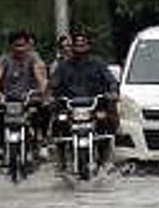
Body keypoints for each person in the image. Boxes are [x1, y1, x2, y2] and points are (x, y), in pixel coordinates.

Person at [48, 27, 120, 160]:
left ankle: (104, 159)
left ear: (89, 46)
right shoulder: (63, 66)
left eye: (83, 45)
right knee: (59, 122)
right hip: (70, 107)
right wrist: (51, 95)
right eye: (77, 45)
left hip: (94, 106)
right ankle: (62, 159)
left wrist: (113, 91)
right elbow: (53, 83)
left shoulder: (98, 63)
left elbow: (111, 80)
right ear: (72, 47)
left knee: (104, 120)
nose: (80, 48)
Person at [0, 28, 51, 146]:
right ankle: (0, 140)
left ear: (28, 45)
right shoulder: (4, 59)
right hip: (8, 98)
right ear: (11, 46)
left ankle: (41, 137)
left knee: (44, 108)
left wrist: (41, 90)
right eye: (16, 45)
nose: (20, 49)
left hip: (28, 98)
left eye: (22, 45)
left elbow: (40, 76)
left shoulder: (33, 58)